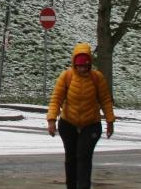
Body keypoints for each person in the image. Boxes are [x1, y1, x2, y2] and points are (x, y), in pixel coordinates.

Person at [46, 42, 115, 189]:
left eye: (85, 66)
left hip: (91, 124)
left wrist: (110, 121)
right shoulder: (67, 77)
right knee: (71, 158)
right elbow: (56, 99)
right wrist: (51, 120)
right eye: (79, 66)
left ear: (89, 64)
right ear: (74, 64)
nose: (82, 69)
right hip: (68, 122)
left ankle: (83, 186)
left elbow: (105, 100)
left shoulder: (97, 78)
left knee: (84, 156)